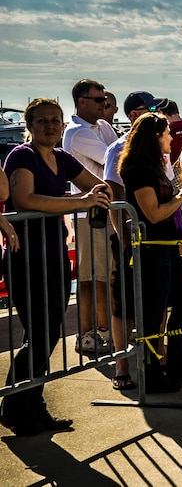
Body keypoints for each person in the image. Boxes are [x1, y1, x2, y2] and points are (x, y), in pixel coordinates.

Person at [0, 98, 109, 436]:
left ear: (63, 126)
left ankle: (33, 406)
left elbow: (97, 185)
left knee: (48, 335)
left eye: (55, 120)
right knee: (41, 335)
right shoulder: (22, 156)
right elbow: (24, 200)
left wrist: (100, 197)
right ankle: (16, 407)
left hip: (55, 255)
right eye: (42, 121)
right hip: (26, 257)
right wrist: (79, 202)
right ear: (30, 126)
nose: (49, 126)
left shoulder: (61, 157)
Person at [119, 112, 182, 391]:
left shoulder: (156, 166)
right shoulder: (138, 169)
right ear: (155, 137)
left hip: (167, 247)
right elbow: (154, 214)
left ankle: (178, 362)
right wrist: (181, 198)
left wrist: (179, 194)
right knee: (153, 313)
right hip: (151, 248)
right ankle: (151, 372)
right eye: (167, 133)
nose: (171, 138)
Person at [103, 90, 169, 390]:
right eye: (149, 108)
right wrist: (124, 239)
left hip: (160, 241)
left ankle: (159, 359)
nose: (156, 112)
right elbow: (115, 198)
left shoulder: (159, 148)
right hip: (132, 241)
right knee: (125, 305)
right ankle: (121, 366)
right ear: (133, 115)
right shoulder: (119, 149)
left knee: (158, 303)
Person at [62, 79, 119, 355]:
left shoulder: (103, 127)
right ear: (81, 101)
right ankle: (91, 333)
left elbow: (114, 159)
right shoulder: (76, 132)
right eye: (99, 100)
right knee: (92, 277)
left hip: (104, 210)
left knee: (106, 274)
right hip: (89, 213)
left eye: (105, 100)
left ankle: (103, 330)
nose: (105, 105)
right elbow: (116, 159)